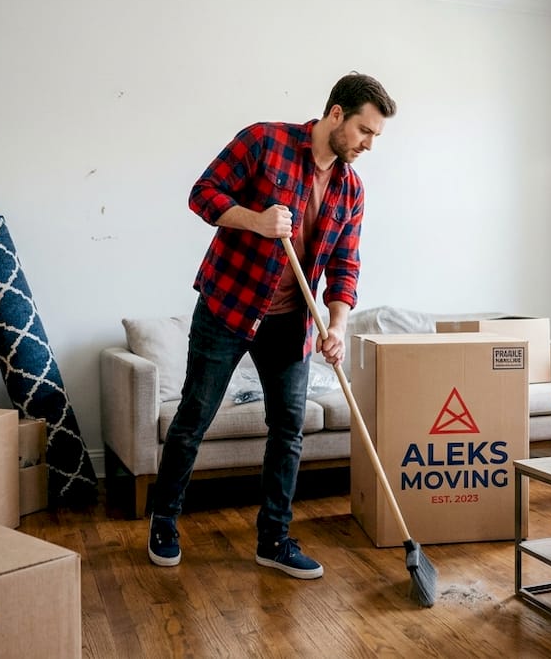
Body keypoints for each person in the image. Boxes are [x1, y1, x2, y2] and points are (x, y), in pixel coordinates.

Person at [147, 73, 396, 579]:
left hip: (290, 321)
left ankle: (274, 539)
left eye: (375, 136)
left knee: (288, 428)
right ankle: (164, 521)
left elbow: (346, 265)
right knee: (193, 415)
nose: (369, 144)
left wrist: (337, 324)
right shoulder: (265, 141)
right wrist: (256, 220)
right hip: (229, 306)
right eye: (365, 131)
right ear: (335, 115)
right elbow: (203, 194)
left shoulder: (351, 189)